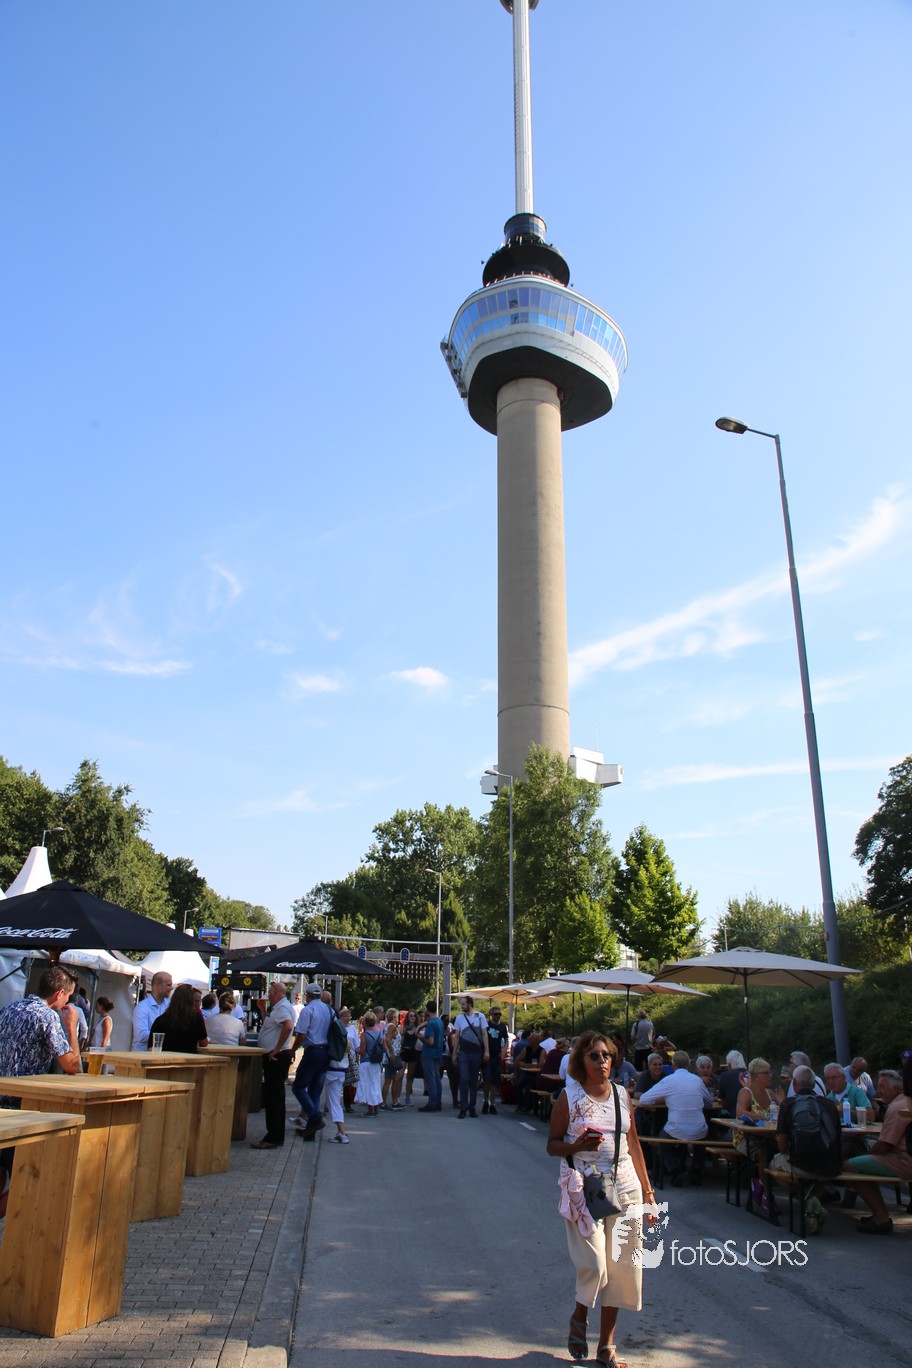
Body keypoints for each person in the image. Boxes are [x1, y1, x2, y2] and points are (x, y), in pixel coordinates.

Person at [547, 1031, 655, 1368]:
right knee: (595, 1265)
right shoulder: (570, 1097)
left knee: (622, 1269)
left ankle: (607, 1346)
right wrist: (577, 1146)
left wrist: (649, 1194)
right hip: (585, 1189)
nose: (602, 1061)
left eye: (606, 1055)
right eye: (594, 1055)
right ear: (581, 1060)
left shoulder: (622, 1095)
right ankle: (580, 1315)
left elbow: (634, 1145)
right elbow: (552, 1144)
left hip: (626, 1187)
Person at [0, 966, 81, 1217]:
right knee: (26, 1178)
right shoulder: (47, 1016)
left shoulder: (9, 1009)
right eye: (68, 996)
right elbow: (72, 1065)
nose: (68, 1002)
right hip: (24, 1107)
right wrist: (72, 1028)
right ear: (59, 994)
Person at [845, 1068, 912, 1234]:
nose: (878, 1091)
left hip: (904, 1161)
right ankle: (879, 1213)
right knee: (864, 1162)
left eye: (882, 1087)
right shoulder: (905, 1102)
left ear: (896, 1089)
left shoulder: (897, 1107)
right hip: (903, 1156)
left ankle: (881, 1218)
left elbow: (885, 1145)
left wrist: (866, 1157)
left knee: (849, 1166)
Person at [640, 1049, 714, 1186]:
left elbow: (644, 1099)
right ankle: (697, 1168)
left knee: (661, 1140)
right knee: (702, 1134)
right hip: (698, 1128)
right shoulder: (697, 1080)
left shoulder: (669, 1080)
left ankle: (676, 1169)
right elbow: (709, 1102)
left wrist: (665, 1098)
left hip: (676, 1128)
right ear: (689, 1064)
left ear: (673, 1065)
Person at [251, 981, 296, 1149]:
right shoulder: (278, 1008)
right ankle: (275, 1135)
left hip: (276, 1057)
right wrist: (263, 1010)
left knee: (274, 1097)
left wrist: (276, 1049)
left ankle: (273, 1137)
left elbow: (288, 1026)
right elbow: (271, 1027)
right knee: (274, 1096)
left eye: (270, 993)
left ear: (277, 992)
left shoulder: (282, 1007)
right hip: (276, 1055)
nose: (268, 996)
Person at [293, 982, 332, 1140]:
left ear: (307, 996)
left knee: (298, 1086)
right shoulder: (329, 1010)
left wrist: (292, 1050)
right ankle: (311, 1132)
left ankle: (315, 1117)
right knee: (315, 1092)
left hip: (313, 1051)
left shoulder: (308, 1009)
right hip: (326, 1052)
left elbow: (301, 1034)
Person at [451, 996, 489, 1118]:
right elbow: (457, 1036)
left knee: (473, 1081)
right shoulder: (459, 1018)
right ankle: (463, 1107)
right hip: (464, 1052)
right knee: (463, 1079)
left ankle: (472, 1107)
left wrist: (487, 1051)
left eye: (463, 1004)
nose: (462, 1006)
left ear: (470, 1004)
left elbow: (484, 1034)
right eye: (461, 1004)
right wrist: (454, 1053)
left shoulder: (480, 1016)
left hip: (476, 1052)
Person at [148, 983, 208, 1053]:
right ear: (191, 1001)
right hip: (188, 1058)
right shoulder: (196, 1017)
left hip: (165, 1058)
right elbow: (204, 1043)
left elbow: (151, 1047)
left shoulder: (160, 1020)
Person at [132, 971, 173, 1050]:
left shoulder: (169, 1005)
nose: (171, 988)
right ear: (158, 985)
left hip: (160, 1054)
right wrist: (166, 1035)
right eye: (168, 985)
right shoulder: (142, 1007)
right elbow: (141, 1035)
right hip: (143, 1055)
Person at [355, 1011, 386, 1117]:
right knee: (375, 1084)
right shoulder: (380, 1033)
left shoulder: (364, 1035)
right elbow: (384, 1049)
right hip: (376, 1062)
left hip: (366, 1062)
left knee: (367, 1085)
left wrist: (357, 1050)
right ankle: (376, 1107)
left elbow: (363, 1051)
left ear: (365, 1022)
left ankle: (370, 1110)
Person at [417, 1001, 444, 1112]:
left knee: (430, 1079)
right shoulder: (439, 1021)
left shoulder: (431, 1024)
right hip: (438, 1053)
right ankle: (438, 1102)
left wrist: (420, 1037)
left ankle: (432, 1103)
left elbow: (430, 1041)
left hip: (429, 1053)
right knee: (437, 1078)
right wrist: (421, 1026)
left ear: (427, 1010)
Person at [482, 1006, 510, 1113]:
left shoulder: (502, 1026)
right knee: (487, 1080)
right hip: (487, 1056)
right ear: (491, 1015)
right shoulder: (487, 1025)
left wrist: (504, 1051)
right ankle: (486, 1101)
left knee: (495, 1081)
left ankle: (493, 1104)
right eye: (495, 1014)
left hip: (497, 1057)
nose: (497, 1016)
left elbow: (506, 1039)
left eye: (499, 1014)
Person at [380, 1008, 405, 1110]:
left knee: (394, 1079)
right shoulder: (392, 1026)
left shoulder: (387, 1026)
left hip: (389, 1056)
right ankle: (383, 1103)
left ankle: (395, 1102)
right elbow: (387, 1039)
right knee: (388, 1080)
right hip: (391, 1057)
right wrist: (392, 1052)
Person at [400, 1010, 421, 1105]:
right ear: (408, 1018)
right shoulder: (404, 1028)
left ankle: (407, 1097)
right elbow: (401, 1041)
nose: (412, 1017)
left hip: (413, 1052)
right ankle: (397, 1097)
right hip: (404, 1051)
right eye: (410, 1016)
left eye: (414, 1016)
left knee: (410, 1076)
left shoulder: (417, 1028)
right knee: (400, 1075)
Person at [716, 1051, 747, 1115]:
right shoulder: (751, 1075)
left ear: (729, 1065)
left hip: (735, 1114)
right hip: (752, 1115)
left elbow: (722, 1100)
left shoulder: (725, 1075)